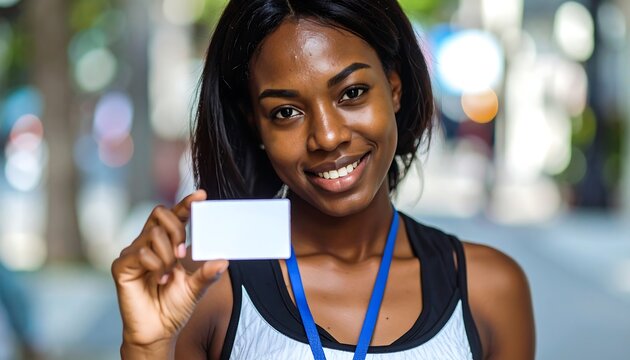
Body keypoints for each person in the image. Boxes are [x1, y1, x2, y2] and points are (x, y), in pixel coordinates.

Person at [111, 0, 535, 359]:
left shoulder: (489, 290)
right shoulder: (208, 288)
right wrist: (146, 345)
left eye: (351, 93)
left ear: (394, 87)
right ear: (255, 126)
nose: (328, 136)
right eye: (286, 112)